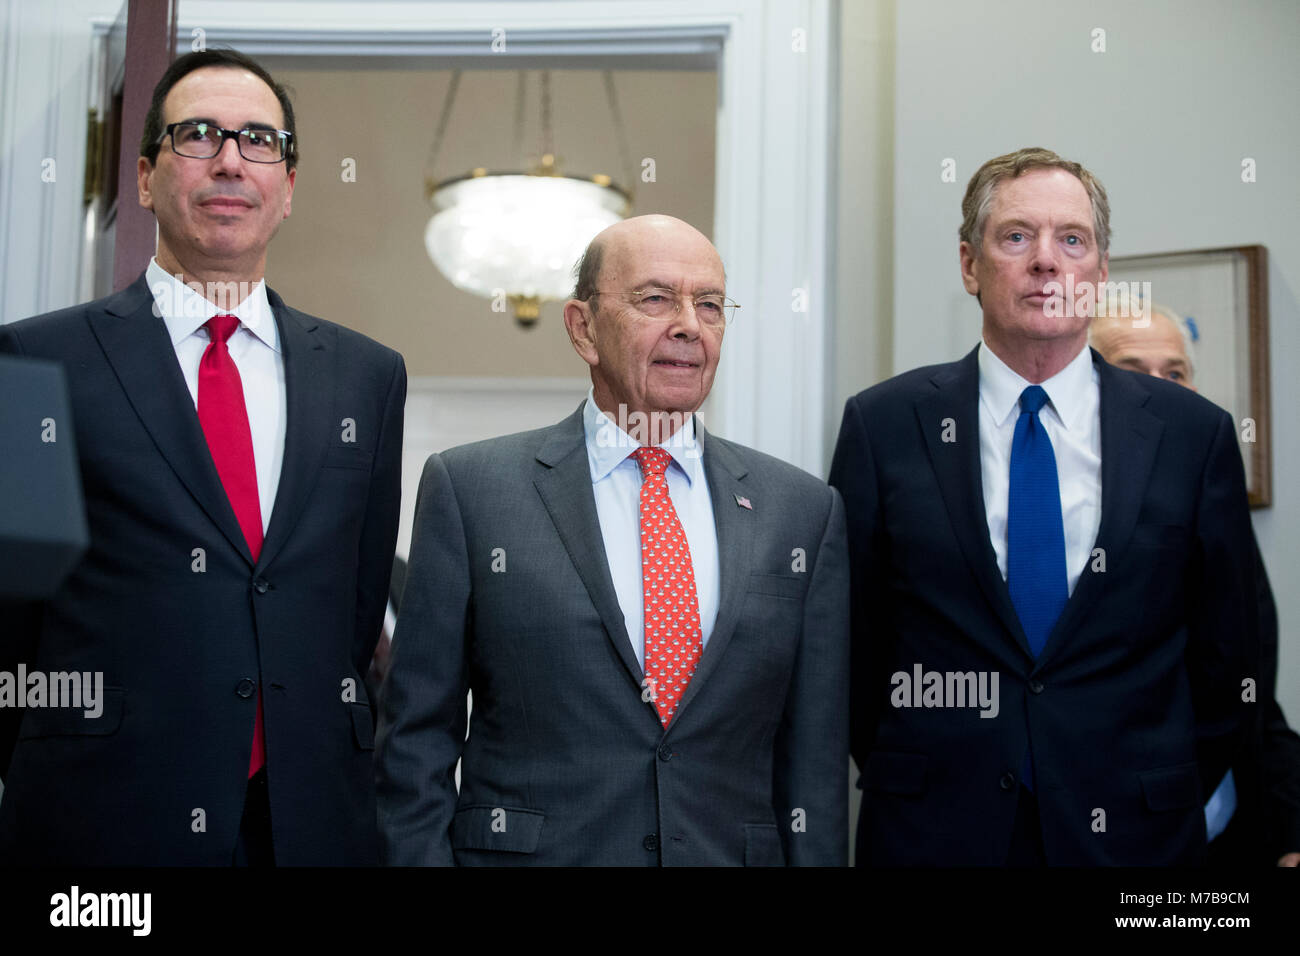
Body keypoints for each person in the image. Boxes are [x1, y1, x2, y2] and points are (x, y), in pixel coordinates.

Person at [0, 49, 406, 865]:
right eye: (198, 135)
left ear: (287, 188)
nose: (229, 159)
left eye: (259, 140)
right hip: (101, 822)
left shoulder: (368, 375)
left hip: (308, 821)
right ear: (145, 178)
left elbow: (354, 612)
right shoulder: (33, 364)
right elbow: (14, 618)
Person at [829, 147, 1258, 865]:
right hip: (935, 830)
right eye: (1017, 236)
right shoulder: (884, 424)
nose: (1046, 262)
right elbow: (852, 646)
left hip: (1137, 834)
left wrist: (1160, 779)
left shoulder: (1193, 434)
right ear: (970, 265)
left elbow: (1229, 654)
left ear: (1101, 270)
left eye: (1072, 239)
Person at [376, 214, 848, 865]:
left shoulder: (801, 512)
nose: (689, 323)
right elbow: (414, 744)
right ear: (583, 328)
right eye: (655, 298)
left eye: (709, 304)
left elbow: (814, 768)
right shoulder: (473, 490)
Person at [1091, 306, 1300, 867]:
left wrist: (1288, 826)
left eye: (1175, 373)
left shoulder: (1210, 493)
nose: (1159, 391)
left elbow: (1246, 680)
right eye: (1133, 371)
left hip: (1211, 822)